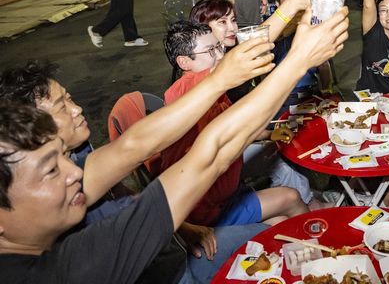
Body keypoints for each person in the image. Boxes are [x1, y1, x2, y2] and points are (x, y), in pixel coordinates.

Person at [0, 9, 349, 284]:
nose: (75, 171)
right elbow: (207, 157)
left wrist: (222, 78)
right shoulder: (68, 270)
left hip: (180, 242)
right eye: (50, 169)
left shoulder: (50, 196)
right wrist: (298, 61)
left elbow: (135, 143)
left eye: (63, 157)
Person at [0, 44, 274, 282]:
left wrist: (181, 226)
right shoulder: (61, 261)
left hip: (173, 247)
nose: (77, 109)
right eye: (62, 106)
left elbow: (135, 163)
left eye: (70, 98)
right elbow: (197, 155)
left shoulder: (80, 152)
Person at [162, 21, 309, 228]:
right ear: (184, 62)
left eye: (219, 46)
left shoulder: (213, 90)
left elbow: (235, 126)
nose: (221, 55)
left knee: (282, 223)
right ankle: (320, 240)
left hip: (229, 193)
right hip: (208, 210)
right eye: (211, 50)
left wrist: (268, 135)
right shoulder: (185, 92)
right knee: (291, 197)